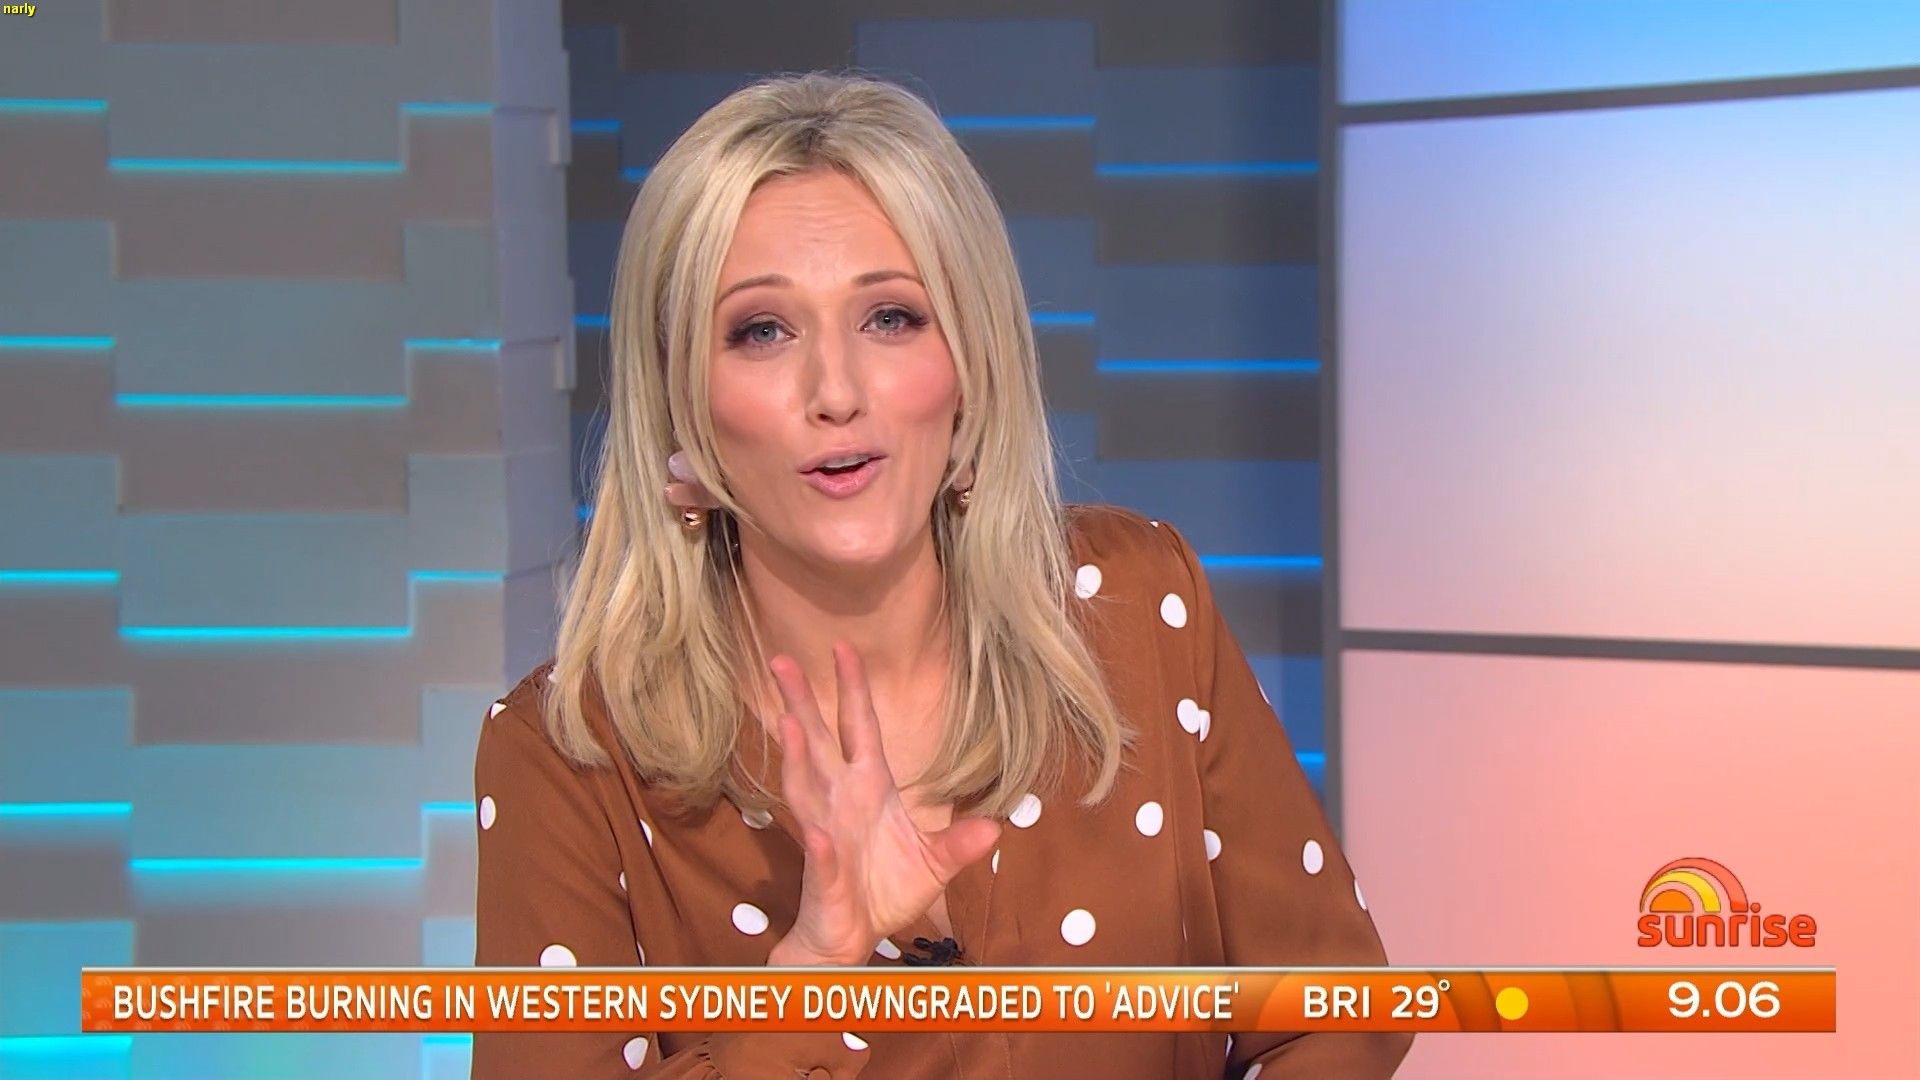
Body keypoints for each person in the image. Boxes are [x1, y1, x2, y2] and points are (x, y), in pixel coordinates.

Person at [471, 71, 1410, 1079]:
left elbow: (1336, 1013)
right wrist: (815, 969)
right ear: (679, 403)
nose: (836, 391)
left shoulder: (1142, 605)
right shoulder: (567, 760)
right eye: (762, 331)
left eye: (890, 318)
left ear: (969, 365)